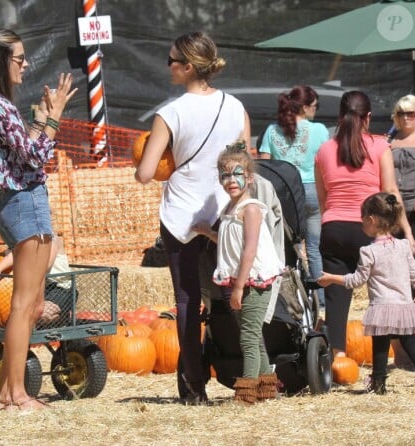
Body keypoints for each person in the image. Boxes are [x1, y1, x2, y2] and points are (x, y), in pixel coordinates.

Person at [134, 31, 250, 405]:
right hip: (224, 213)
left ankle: (193, 386)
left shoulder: (170, 113)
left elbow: (145, 172)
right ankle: (245, 373)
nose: (167, 66)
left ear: (187, 67)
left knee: (187, 299)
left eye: (171, 60)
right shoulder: (235, 107)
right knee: (233, 295)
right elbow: (247, 165)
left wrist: (165, 159)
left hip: (181, 214)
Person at [0, 28, 77, 411]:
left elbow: (19, 152)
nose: (26, 63)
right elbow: (34, 159)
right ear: (0, 61)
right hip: (22, 201)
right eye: (19, 58)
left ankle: (14, 392)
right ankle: (12, 395)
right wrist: (56, 118)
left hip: (18, 200)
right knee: (24, 303)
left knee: (28, 302)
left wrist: (40, 119)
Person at [314, 90, 415, 360]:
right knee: (390, 291)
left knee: (336, 295)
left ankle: (337, 357)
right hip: (369, 228)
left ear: (340, 117)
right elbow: (391, 191)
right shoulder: (380, 145)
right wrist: (406, 231)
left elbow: (323, 200)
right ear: (368, 117)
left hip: (334, 227)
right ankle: (403, 353)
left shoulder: (324, 150)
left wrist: (333, 223)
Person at [194, 142, 284, 404]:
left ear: (249, 178)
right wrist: (206, 232)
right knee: (253, 336)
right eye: (225, 175)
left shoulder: (251, 209)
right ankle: (269, 390)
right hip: (239, 280)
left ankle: (246, 396)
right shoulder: (230, 210)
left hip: (253, 282)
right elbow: (229, 240)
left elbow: (249, 250)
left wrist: (238, 287)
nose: (230, 180)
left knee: (247, 337)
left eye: (237, 174)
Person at [317, 193, 415, 394]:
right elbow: (414, 274)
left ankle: (379, 384)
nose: (361, 225)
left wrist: (331, 278)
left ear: (371, 220)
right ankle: (378, 383)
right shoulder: (404, 246)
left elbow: (356, 280)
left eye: (362, 220)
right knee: (410, 342)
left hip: (382, 306)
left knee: (380, 345)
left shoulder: (368, 251)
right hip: (404, 305)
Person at [259, 86, 329, 307]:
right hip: (311, 191)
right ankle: (321, 302)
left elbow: (264, 166)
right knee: (315, 248)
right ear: (306, 107)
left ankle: (284, 301)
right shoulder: (319, 130)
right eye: (315, 106)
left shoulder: (271, 131)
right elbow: (325, 163)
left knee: (283, 248)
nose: (316, 111)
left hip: (282, 195)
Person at [0, 234, 74, 326]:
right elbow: (15, 253)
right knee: (20, 313)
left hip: (61, 288)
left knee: (42, 315)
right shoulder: (26, 240)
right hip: (37, 288)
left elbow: (46, 264)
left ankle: (64, 320)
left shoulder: (52, 239)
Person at [388, 94, 415, 250]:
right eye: (401, 113)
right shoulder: (391, 138)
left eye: (411, 113)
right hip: (394, 204)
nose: (406, 118)